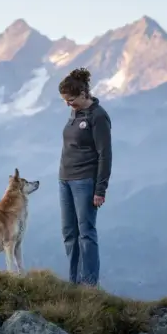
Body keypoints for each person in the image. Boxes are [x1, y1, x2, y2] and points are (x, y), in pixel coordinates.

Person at [57, 67, 112, 286]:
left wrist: (100, 190)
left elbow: (105, 155)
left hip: (85, 182)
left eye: (71, 100)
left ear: (83, 94)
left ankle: (88, 285)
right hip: (65, 179)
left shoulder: (98, 116)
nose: (68, 105)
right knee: (69, 232)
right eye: (65, 101)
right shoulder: (74, 113)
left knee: (86, 233)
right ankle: (74, 282)